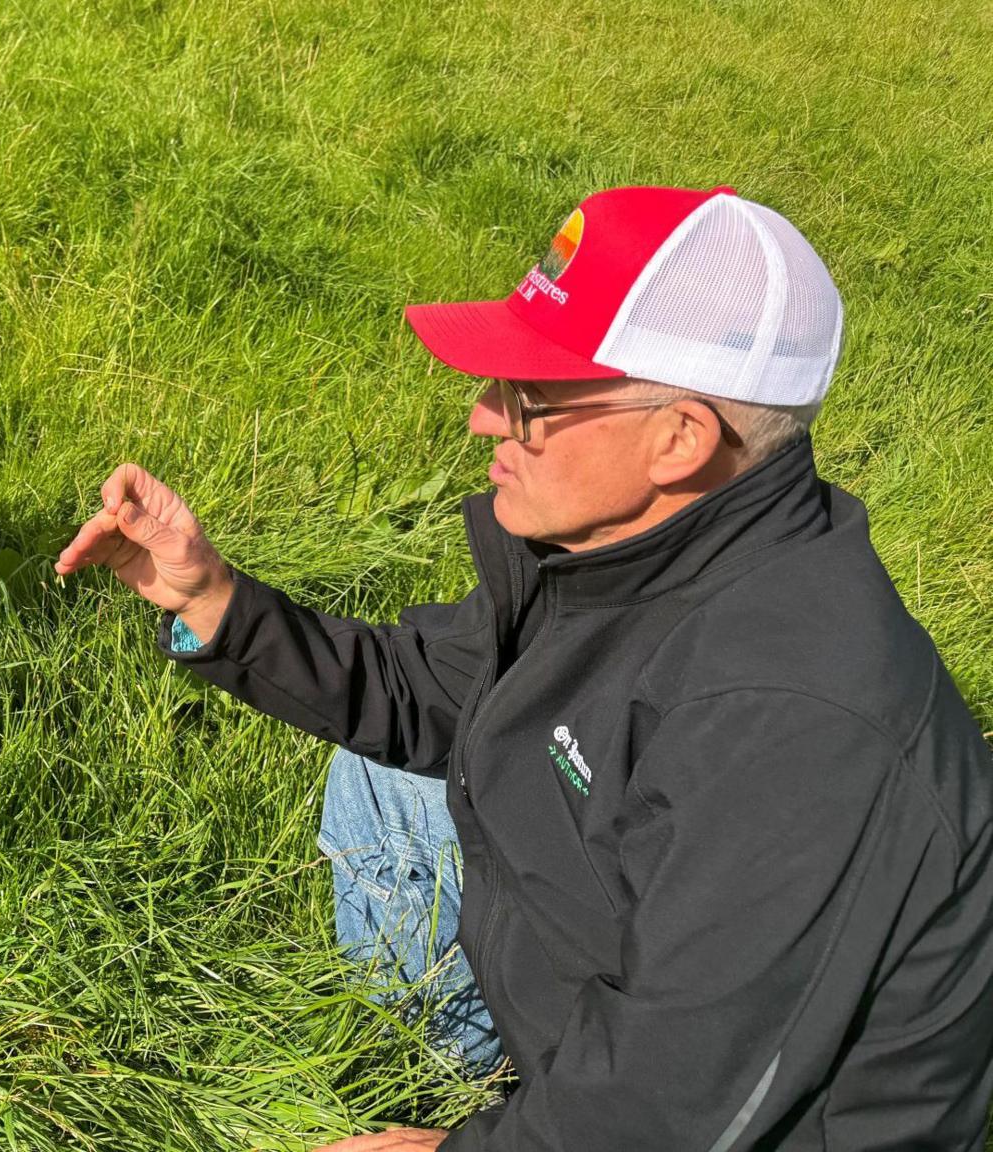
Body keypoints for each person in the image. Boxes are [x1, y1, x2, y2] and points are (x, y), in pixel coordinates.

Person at [56, 185, 993, 1148]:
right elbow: (431, 691)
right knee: (387, 777)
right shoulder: (632, 553)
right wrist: (211, 600)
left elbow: (679, 1099)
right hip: (613, 1007)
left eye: (530, 399)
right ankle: (487, 1061)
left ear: (681, 439)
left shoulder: (796, 725)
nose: (482, 419)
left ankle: (487, 1091)